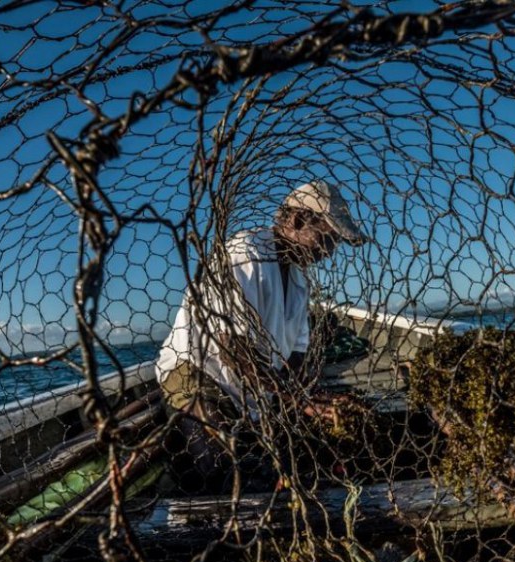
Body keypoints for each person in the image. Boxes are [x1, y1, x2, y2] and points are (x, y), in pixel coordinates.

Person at [156, 179, 369, 494]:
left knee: (282, 468)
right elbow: (233, 350)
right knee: (226, 477)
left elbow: (294, 356)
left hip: (250, 392)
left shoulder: (298, 281)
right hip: (200, 377)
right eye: (326, 239)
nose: (329, 252)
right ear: (297, 221)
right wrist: (297, 399)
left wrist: (310, 394)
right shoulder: (245, 255)